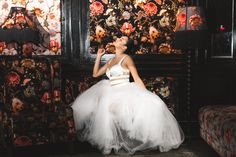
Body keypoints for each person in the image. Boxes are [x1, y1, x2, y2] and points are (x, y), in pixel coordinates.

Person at [71, 36, 184, 155]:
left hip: (124, 90)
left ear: (124, 47)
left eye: (122, 39)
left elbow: (136, 78)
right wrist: (99, 56)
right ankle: (112, 142)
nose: (118, 38)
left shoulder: (127, 59)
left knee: (114, 109)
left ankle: (123, 141)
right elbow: (95, 74)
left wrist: (146, 95)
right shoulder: (111, 60)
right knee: (98, 107)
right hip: (110, 89)